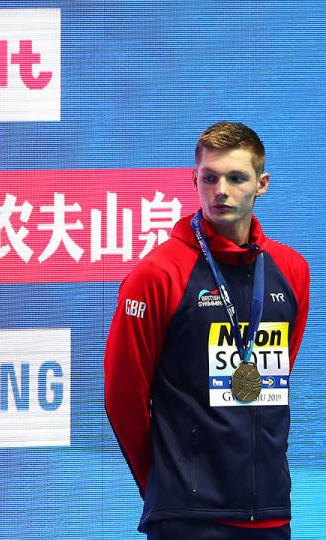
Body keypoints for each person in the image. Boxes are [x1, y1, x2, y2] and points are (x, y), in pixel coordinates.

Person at [104, 122, 309, 539]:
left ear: (262, 184)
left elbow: (277, 377)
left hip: (270, 512)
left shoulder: (292, 270)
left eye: (236, 178)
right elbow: (124, 397)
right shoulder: (157, 274)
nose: (221, 190)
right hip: (188, 517)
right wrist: (167, 483)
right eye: (210, 177)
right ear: (193, 179)